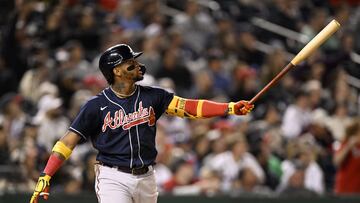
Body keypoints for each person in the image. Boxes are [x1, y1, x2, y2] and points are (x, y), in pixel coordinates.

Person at [29, 44, 254, 203]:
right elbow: (67, 141)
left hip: (147, 177)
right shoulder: (95, 106)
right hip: (113, 176)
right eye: (130, 63)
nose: (137, 65)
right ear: (116, 71)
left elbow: (190, 107)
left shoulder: (153, 96)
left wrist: (229, 108)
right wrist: (46, 174)